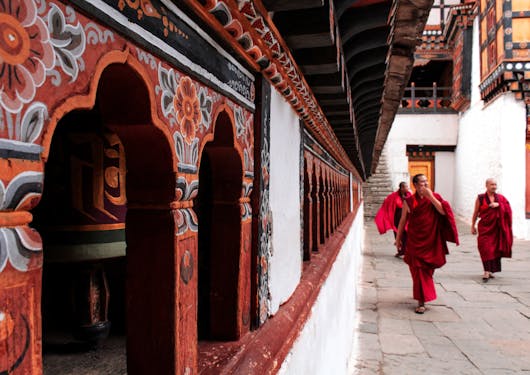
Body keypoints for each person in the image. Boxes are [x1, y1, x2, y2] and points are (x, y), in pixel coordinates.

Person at [395, 174, 459, 314]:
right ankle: (421, 301)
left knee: (426, 270)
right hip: (414, 239)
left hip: (431, 239)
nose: (426, 184)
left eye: (427, 181)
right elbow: (402, 220)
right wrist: (398, 238)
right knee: (417, 270)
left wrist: (431, 198)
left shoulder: (435, 197)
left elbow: (443, 211)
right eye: (423, 182)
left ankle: (420, 294)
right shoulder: (409, 201)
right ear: (416, 186)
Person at [471, 178, 513, 282]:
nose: (494, 186)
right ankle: (486, 270)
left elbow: (508, 209)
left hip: (496, 229)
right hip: (485, 228)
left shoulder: (501, 198)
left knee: (494, 249)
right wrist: (473, 225)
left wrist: (499, 205)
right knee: (484, 248)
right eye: (492, 184)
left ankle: (489, 271)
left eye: (495, 184)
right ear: (486, 185)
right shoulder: (480, 198)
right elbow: (476, 212)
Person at [374, 182, 412, 257]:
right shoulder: (393, 196)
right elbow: (387, 203)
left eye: (407, 187)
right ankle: (400, 251)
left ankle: (407, 251)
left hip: (407, 219)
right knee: (398, 235)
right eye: (404, 187)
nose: (406, 188)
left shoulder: (409, 195)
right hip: (397, 219)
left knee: (406, 235)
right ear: (400, 188)